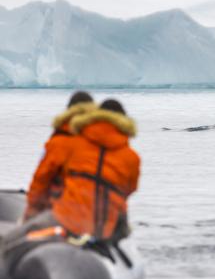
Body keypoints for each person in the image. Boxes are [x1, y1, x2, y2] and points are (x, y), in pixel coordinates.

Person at [3, 99, 140, 264]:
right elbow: (130, 189)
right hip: (105, 227)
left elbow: (43, 180)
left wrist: (31, 214)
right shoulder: (132, 158)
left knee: (10, 242)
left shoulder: (75, 145)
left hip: (68, 220)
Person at [23, 91, 96, 221]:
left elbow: (41, 178)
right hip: (97, 215)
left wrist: (30, 212)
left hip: (64, 213)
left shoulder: (59, 142)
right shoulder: (102, 142)